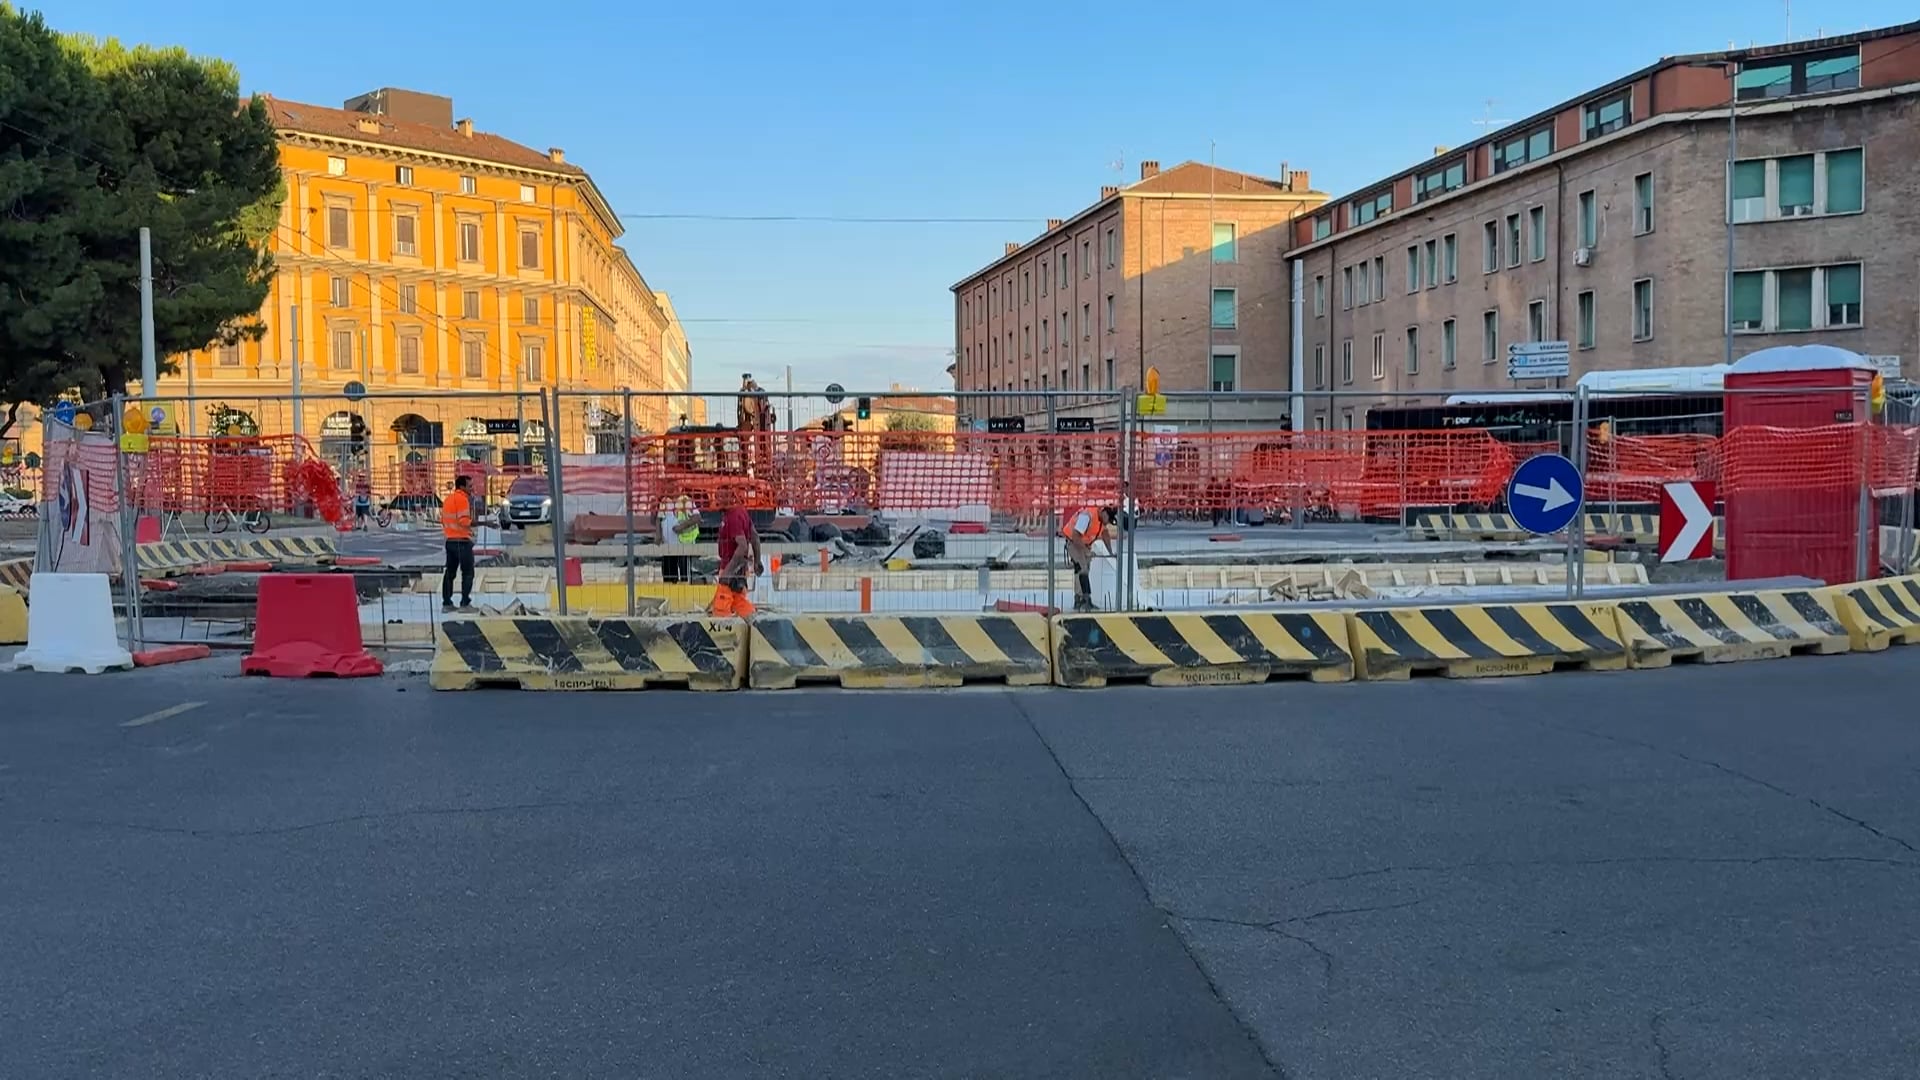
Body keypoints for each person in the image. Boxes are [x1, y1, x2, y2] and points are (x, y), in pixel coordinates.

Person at [1061, 504, 1119, 612]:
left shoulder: (1101, 520)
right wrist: (1086, 551)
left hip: (1084, 544)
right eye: (1108, 518)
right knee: (1082, 569)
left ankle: (1085, 599)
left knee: (1085, 569)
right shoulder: (1087, 516)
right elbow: (1075, 535)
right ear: (1103, 511)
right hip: (1074, 543)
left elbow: (1105, 534)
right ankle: (1082, 600)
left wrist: (1110, 552)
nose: (1107, 522)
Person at [709, 497, 760, 618]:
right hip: (740, 570)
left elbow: (742, 545)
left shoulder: (732, 518)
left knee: (721, 610)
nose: (716, 499)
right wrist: (757, 561)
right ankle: (754, 623)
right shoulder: (741, 512)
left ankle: (723, 635)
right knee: (738, 603)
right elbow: (755, 537)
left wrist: (727, 572)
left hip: (730, 568)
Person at [440, 474, 476, 613]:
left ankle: (447, 603)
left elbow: (444, 520)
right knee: (467, 573)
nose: (472, 489)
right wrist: (485, 523)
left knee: (450, 573)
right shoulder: (462, 500)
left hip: (450, 541)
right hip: (462, 541)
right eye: (470, 486)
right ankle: (465, 603)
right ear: (462, 487)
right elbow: (463, 521)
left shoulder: (448, 499)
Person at [659, 493, 700, 585]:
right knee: (669, 579)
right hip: (668, 547)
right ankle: (670, 596)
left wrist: (681, 527)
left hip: (683, 546)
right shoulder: (665, 501)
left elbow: (697, 517)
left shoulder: (685, 500)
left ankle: (685, 597)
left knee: (684, 579)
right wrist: (659, 535)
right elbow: (659, 519)